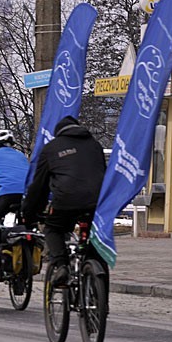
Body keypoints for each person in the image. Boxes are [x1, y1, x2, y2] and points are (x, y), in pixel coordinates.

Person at [21, 116, 106, 285]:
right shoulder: (95, 145)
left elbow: (39, 187)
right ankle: (100, 289)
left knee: (53, 229)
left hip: (66, 201)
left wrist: (30, 214)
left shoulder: (51, 148)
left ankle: (61, 265)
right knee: (94, 248)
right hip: (97, 203)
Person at [0, 129, 30, 253]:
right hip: (26, 194)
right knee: (26, 224)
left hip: (6, 193)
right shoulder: (21, 156)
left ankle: (1, 249)